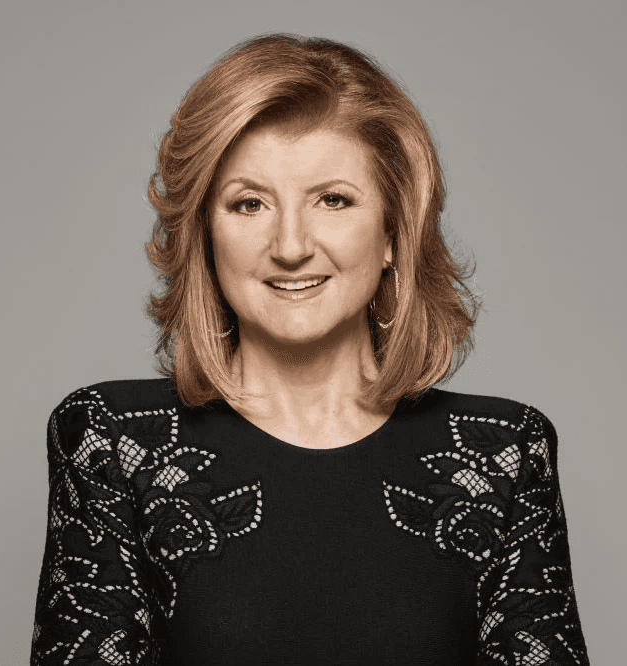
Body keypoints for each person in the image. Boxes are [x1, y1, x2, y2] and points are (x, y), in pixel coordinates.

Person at [31, 33, 590, 665]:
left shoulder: (504, 456)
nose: (291, 246)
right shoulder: (113, 443)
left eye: (332, 200)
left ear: (393, 232)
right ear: (205, 237)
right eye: (249, 203)